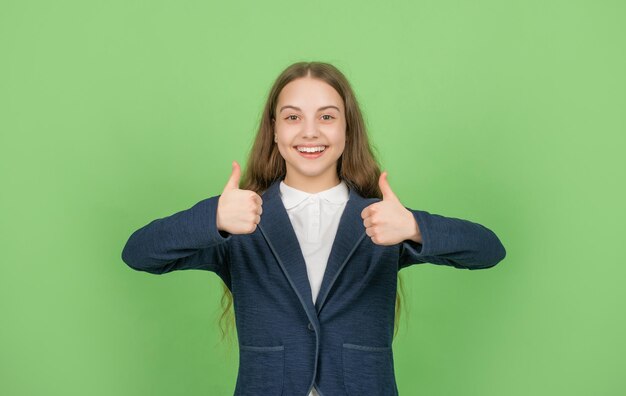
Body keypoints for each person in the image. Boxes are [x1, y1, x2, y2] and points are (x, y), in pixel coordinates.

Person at [121, 61, 506, 396]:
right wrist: (214, 218)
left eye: (326, 116)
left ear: (347, 130)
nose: (310, 132)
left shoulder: (383, 219)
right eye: (292, 117)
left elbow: (488, 250)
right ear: (274, 130)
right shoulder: (240, 219)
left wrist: (414, 227)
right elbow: (139, 253)